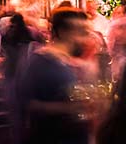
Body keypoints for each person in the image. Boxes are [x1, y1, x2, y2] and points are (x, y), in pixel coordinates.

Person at [16, 8, 94, 144]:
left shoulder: (68, 62)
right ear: (63, 32)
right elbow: (27, 103)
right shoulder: (40, 61)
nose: (85, 39)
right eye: (81, 32)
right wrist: (69, 108)